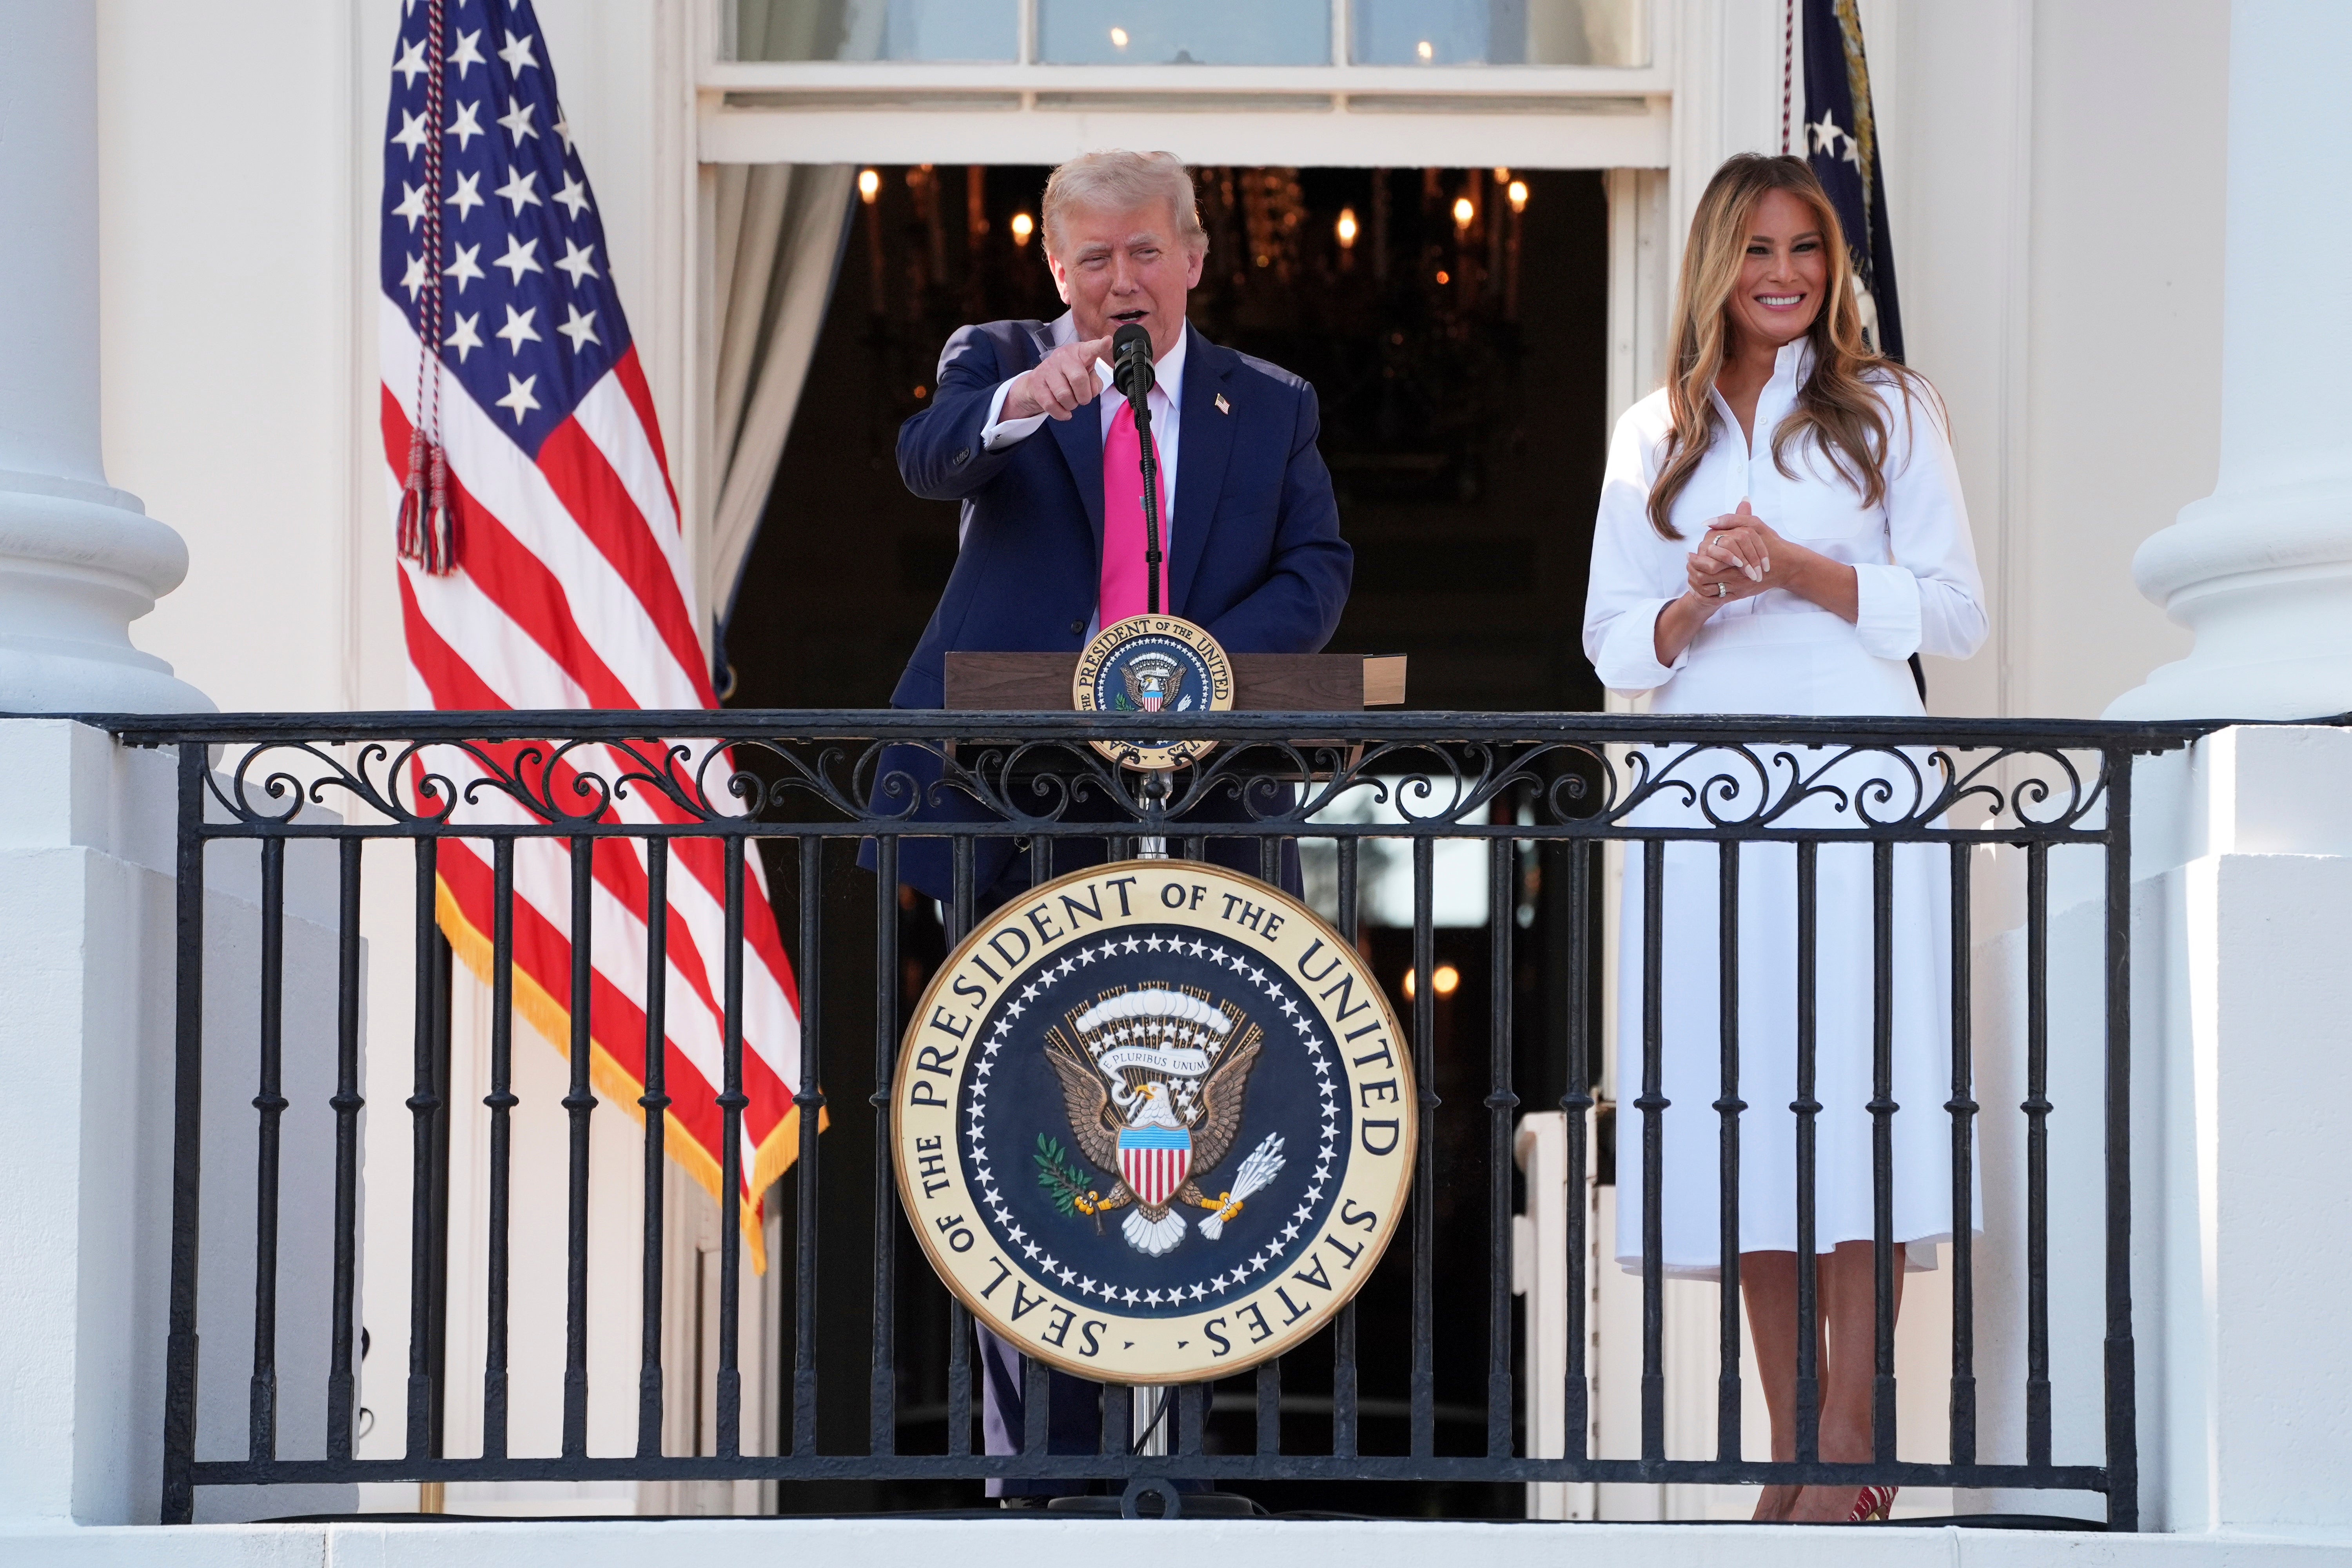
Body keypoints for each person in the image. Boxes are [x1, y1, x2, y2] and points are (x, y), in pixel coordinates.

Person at [884, 149, 1351, 1501]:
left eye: (1144, 252)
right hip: (1011, 804)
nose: (1120, 282)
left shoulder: (1269, 405)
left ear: (1197, 256)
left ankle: (1185, 1460)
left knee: (1212, 1124)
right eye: (1091, 260)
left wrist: (1184, 665)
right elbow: (928, 460)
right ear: (1055, 270)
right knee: (1021, 1126)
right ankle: (1042, 1470)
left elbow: (1318, 571)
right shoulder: (999, 358)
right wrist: (1023, 405)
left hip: (1206, 805)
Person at [1581, 153, 1987, 1524]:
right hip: (1705, 797)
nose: (1783, 274)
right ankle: (1791, 1445)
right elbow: (1610, 637)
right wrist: (1697, 595)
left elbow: (1955, 613)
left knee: (1859, 1090)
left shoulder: (1891, 411)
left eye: (1805, 248)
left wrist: (1800, 569)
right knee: (1741, 1102)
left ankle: (1851, 1439)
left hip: (1861, 784)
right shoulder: (1658, 431)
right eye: (1757, 248)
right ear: (1715, 262)